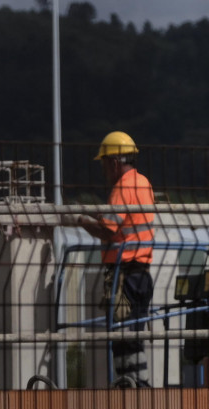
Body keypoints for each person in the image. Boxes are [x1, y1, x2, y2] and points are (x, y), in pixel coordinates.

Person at [73, 131, 155, 387]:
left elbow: (108, 229)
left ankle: (130, 388)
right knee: (135, 334)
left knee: (122, 338)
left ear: (114, 162)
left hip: (124, 274)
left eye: (104, 164)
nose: (104, 170)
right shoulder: (143, 183)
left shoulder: (121, 188)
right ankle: (139, 386)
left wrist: (80, 220)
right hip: (143, 273)